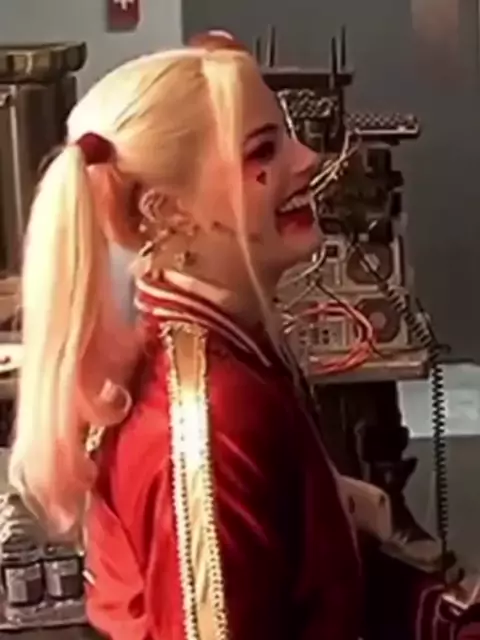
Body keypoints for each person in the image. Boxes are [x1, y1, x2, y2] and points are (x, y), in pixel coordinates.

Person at [8, 32, 480, 640]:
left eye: (289, 135)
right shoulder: (215, 420)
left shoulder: (235, 355)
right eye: (264, 151)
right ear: (165, 211)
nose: (307, 159)